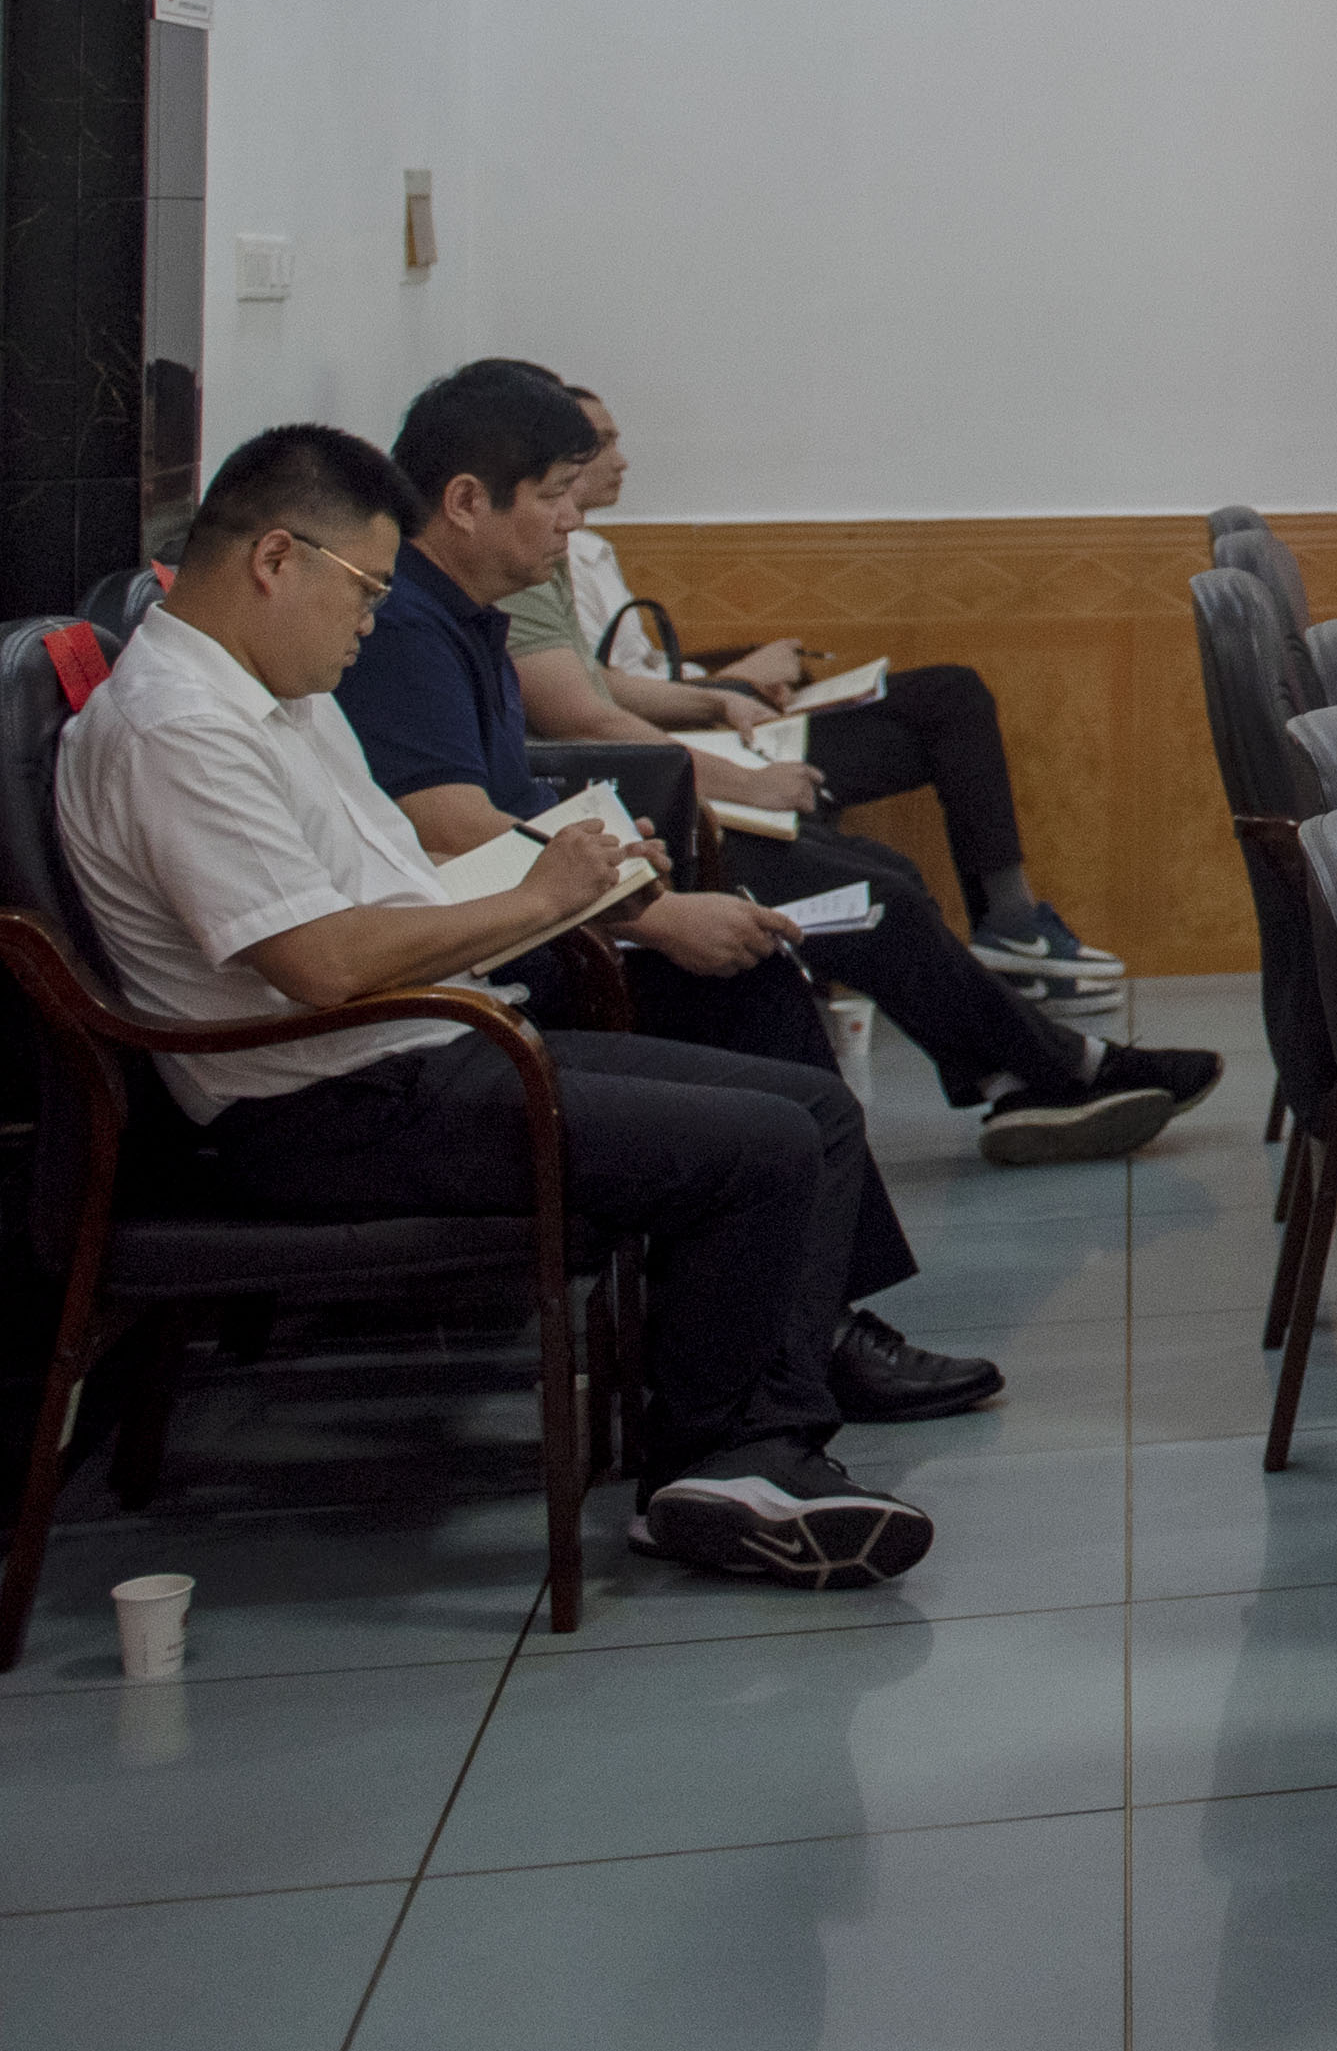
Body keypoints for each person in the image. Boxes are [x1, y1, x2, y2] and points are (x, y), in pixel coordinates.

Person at [62, 426, 962, 1579]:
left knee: (811, 1112)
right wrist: (540, 896)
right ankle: (722, 1461)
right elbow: (323, 965)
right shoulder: (180, 727)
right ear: (276, 559)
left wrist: (585, 886)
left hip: (412, 1050)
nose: (372, 622)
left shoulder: (270, 693)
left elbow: (396, 887)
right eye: (364, 590)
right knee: (764, 1146)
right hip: (324, 1106)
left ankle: (754, 1448)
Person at [340, 363, 1218, 1167]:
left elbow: (515, 785)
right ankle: (1040, 1076)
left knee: (868, 877)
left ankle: (1029, 1073)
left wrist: (629, 861)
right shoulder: (409, 628)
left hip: (569, 894)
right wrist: (653, 910)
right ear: (466, 501)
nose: (573, 517)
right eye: (555, 494)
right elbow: (460, 818)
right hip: (517, 952)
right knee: (826, 929)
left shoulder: (468, 609)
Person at [511, 380, 1122, 1001]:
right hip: (681, 742)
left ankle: (1008, 925)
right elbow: (596, 702)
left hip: (699, 716)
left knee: (947, 698)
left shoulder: (587, 550)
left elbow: (613, 675)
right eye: (600, 444)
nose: (620, 459)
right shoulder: (537, 560)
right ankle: (1007, 935)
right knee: (902, 835)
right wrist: (731, 685)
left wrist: (727, 685)